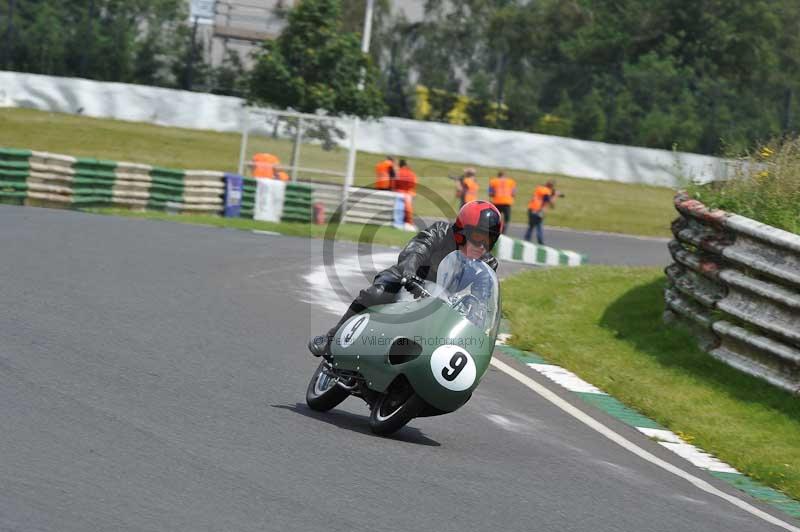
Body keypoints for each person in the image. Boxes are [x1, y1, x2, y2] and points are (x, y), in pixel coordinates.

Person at [309, 201, 503, 358]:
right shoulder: (441, 232)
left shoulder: (486, 264)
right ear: (462, 232)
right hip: (408, 281)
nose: (481, 246)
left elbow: (483, 296)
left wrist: (481, 316)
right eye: (477, 237)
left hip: (442, 303)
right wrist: (409, 270)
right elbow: (417, 248)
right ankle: (332, 338)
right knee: (376, 293)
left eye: (488, 241)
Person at [525, 180, 559, 245]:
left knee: (531, 226)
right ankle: (540, 242)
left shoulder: (539, 188)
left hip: (531, 208)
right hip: (538, 210)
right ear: (551, 187)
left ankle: (526, 240)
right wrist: (555, 196)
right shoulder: (546, 191)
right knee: (539, 226)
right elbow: (550, 202)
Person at [392, 159, 418, 224]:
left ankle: (398, 222)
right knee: (408, 209)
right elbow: (413, 184)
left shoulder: (398, 172)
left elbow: (394, 183)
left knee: (398, 209)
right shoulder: (412, 174)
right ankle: (408, 222)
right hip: (408, 193)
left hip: (399, 192)